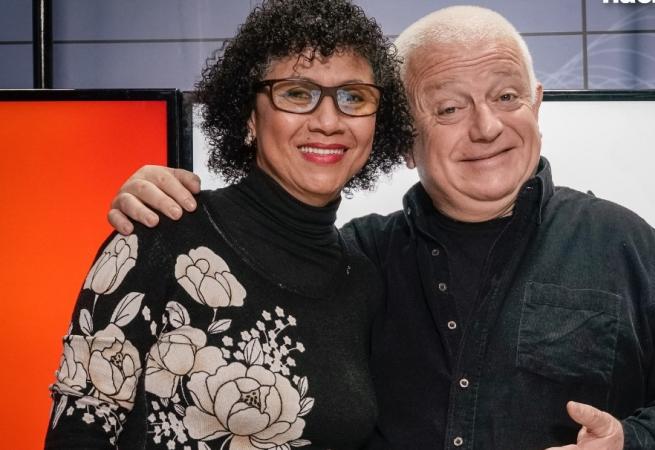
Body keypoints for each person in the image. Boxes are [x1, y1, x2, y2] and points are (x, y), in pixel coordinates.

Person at [104, 5, 655, 450]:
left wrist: (632, 441)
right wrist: (160, 202)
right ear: (404, 139)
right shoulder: (355, 260)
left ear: (537, 106)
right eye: (448, 107)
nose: (487, 127)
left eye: (507, 96)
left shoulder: (620, 243)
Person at [45, 0, 414, 449]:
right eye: (297, 93)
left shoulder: (364, 280)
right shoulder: (158, 235)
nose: (328, 121)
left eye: (353, 97)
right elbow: (79, 432)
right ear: (249, 117)